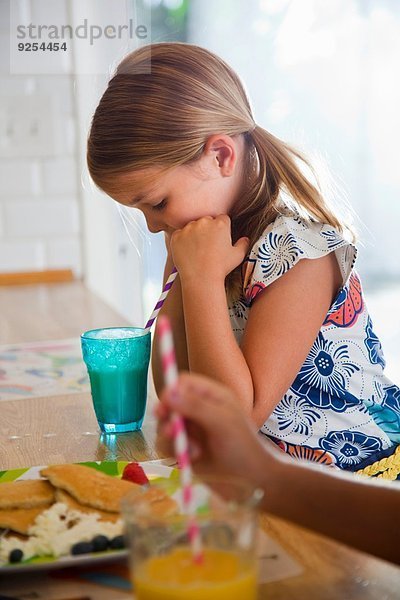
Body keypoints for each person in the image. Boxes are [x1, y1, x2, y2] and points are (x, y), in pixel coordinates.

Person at [87, 42, 400, 471]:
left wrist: (200, 280)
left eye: (157, 203)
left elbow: (233, 419)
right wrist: (187, 277)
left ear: (220, 156)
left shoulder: (299, 254)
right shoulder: (200, 246)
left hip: (355, 488)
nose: (154, 227)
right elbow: (177, 393)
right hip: (264, 481)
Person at [156, 372, 400, 565]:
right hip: (298, 500)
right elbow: (176, 388)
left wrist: (264, 476)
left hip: (358, 479)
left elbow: (243, 411)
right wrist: (262, 474)